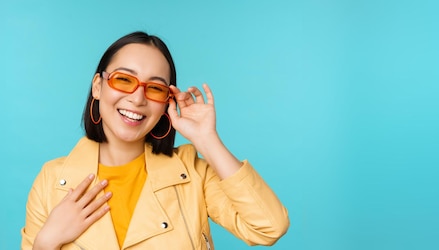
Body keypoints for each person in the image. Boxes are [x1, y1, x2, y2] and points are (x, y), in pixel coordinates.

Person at [21, 31, 289, 250]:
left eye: (156, 88)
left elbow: (268, 227)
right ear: (98, 87)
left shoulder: (192, 173)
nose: (138, 98)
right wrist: (46, 243)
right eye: (124, 79)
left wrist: (207, 140)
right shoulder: (52, 180)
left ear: (166, 103)